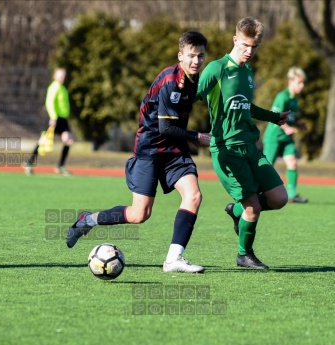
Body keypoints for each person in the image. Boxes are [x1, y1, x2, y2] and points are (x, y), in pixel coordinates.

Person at [66, 31, 211, 273]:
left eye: (201, 56)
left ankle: (173, 259)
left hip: (174, 150)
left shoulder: (194, 78)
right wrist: (197, 137)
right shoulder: (170, 81)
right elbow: (165, 127)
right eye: (191, 56)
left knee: (194, 196)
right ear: (180, 56)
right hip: (151, 148)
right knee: (139, 214)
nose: (196, 61)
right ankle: (88, 220)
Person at [196, 16, 290, 270]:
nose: (249, 52)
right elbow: (190, 98)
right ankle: (244, 254)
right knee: (253, 208)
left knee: (280, 197)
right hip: (227, 150)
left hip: (250, 147)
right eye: (245, 46)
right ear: (235, 40)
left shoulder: (248, 71)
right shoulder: (216, 69)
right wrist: (181, 132)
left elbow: (246, 106)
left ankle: (237, 211)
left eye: (255, 47)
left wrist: (273, 118)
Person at [263, 67, 308, 203]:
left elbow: (290, 118)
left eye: (303, 83)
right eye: (299, 82)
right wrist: (287, 128)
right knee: (267, 166)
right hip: (274, 137)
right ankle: (259, 192)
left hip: (286, 139)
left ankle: (292, 195)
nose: (302, 85)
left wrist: (298, 124)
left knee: (293, 163)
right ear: (290, 82)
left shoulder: (295, 100)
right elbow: (275, 116)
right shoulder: (282, 97)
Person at [24, 68, 74, 176]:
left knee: (68, 140)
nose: (62, 77)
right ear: (55, 76)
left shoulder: (63, 88)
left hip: (62, 119)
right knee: (43, 141)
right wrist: (53, 117)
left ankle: (60, 166)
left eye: (64, 75)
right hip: (54, 118)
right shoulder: (54, 87)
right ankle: (29, 163)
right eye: (60, 75)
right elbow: (49, 103)